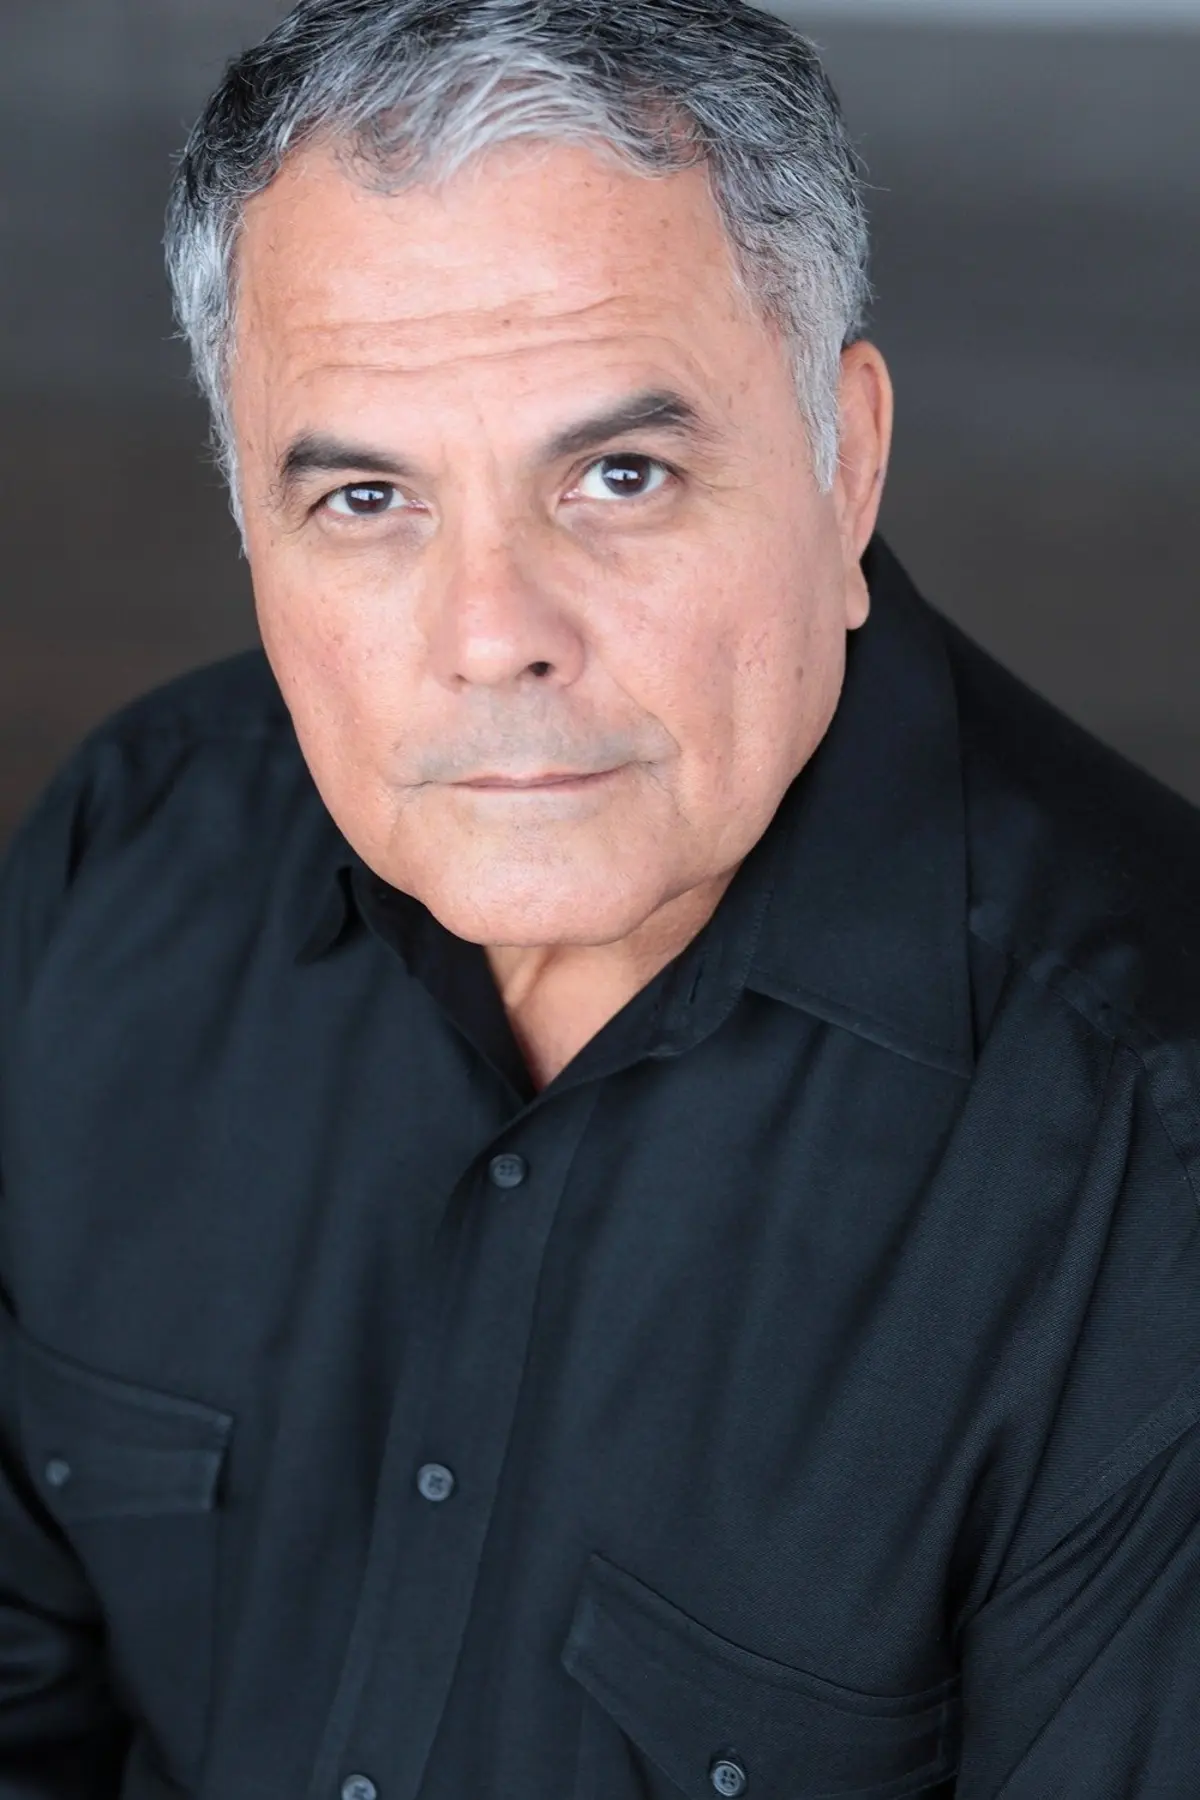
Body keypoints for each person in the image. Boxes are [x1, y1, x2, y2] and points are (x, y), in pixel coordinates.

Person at [1, 1, 1198, 1794]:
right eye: (368, 496)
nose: (495, 635)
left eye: (619, 476)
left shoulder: (1147, 1164)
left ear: (847, 462)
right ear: (249, 519)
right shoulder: (130, 866)